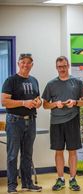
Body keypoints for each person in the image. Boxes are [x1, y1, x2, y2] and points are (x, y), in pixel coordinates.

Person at [42, 56, 83, 191]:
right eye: (59, 67)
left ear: (68, 66)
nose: (62, 69)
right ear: (56, 68)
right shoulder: (51, 84)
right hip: (56, 122)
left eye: (64, 66)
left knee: (72, 151)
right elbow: (45, 105)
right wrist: (55, 104)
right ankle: (60, 179)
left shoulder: (77, 82)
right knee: (59, 151)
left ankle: (73, 179)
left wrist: (75, 102)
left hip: (72, 120)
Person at [1, 53, 42, 193]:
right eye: (23, 62)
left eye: (28, 62)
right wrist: (24, 103)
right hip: (14, 121)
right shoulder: (10, 80)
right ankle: (12, 186)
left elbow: (38, 99)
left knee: (27, 154)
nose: (25, 65)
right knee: (12, 155)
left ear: (32, 65)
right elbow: (4, 101)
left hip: (30, 122)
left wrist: (38, 102)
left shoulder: (34, 80)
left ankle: (27, 184)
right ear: (18, 63)